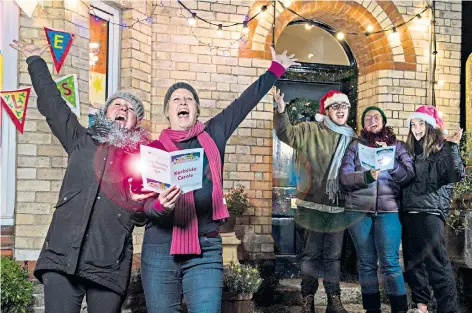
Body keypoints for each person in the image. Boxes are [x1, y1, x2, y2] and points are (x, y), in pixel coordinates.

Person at [138, 48, 298, 313]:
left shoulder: (213, 134)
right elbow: (142, 207)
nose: (183, 102)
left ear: (197, 109)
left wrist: (275, 70)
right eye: (176, 99)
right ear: (167, 111)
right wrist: (160, 207)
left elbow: (243, 103)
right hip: (160, 248)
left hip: (205, 245)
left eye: (188, 99)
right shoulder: (154, 151)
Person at [10, 40, 156, 313]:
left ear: (136, 122)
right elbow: (53, 105)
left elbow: (141, 216)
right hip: (62, 256)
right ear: (105, 112)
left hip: (107, 265)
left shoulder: (143, 159)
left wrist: (138, 204)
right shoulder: (80, 139)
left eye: (130, 108)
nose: (123, 109)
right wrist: (35, 61)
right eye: (118, 104)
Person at [273, 89, 356, 313]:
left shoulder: (352, 138)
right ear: (326, 110)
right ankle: (307, 299)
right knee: (311, 255)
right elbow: (285, 134)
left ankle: (334, 300)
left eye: (344, 107)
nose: (340, 110)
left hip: (338, 208)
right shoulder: (310, 130)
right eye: (335, 106)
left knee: (333, 257)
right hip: (311, 205)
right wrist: (281, 110)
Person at [339, 106, 415, 313]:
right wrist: (366, 177)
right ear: (363, 124)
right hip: (358, 211)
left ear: (384, 121)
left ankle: (399, 309)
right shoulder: (355, 146)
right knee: (366, 263)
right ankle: (372, 310)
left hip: (388, 210)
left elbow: (408, 176)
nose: (373, 120)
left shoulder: (398, 147)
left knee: (390, 262)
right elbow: (344, 178)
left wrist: (390, 163)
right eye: (368, 118)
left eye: (377, 117)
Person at [402, 105, 464, 313]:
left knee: (437, 264)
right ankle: (421, 307)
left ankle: (448, 309)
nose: (416, 128)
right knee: (413, 263)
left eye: (421, 124)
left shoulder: (442, 148)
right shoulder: (409, 151)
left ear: (430, 126)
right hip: (409, 212)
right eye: (413, 124)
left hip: (430, 213)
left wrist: (453, 147)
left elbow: (455, 174)